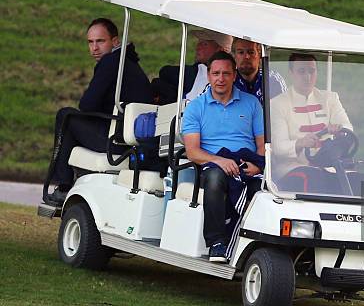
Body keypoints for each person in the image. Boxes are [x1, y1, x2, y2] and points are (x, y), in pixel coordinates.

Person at [47, 18, 154, 204]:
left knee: (66, 116)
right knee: (73, 119)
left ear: (115, 41)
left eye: (100, 41)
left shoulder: (111, 62)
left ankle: (64, 186)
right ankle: (71, 181)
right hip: (129, 139)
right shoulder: (128, 62)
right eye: (90, 42)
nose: (94, 48)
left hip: (116, 141)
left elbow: (87, 105)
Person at [182, 51, 264, 263]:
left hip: (247, 163)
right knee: (215, 178)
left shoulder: (252, 103)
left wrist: (257, 165)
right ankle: (217, 242)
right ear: (208, 76)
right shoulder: (195, 108)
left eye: (226, 73)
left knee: (263, 187)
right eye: (216, 73)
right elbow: (192, 151)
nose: (221, 78)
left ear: (234, 75)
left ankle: (252, 245)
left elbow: (262, 145)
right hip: (212, 163)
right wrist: (220, 161)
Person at [270, 53, 358, 195]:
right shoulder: (277, 104)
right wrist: (301, 143)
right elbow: (278, 147)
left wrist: (339, 131)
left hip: (331, 166)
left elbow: (347, 128)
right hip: (294, 167)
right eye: (302, 71)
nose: (307, 77)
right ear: (291, 73)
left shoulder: (330, 98)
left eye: (312, 71)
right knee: (313, 180)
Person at [153, 29, 233, 104]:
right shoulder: (196, 71)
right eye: (199, 42)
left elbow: (165, 71)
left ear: (220, 50)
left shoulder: (198, 71)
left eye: (204, 44)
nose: (198, 47)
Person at [233, 38, 287, 105]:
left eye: (251, 52)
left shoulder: (272, 79)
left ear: (260, 55)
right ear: (234, 56)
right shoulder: (229, 79)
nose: (246, 56)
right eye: (241, 52)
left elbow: (283, 111)